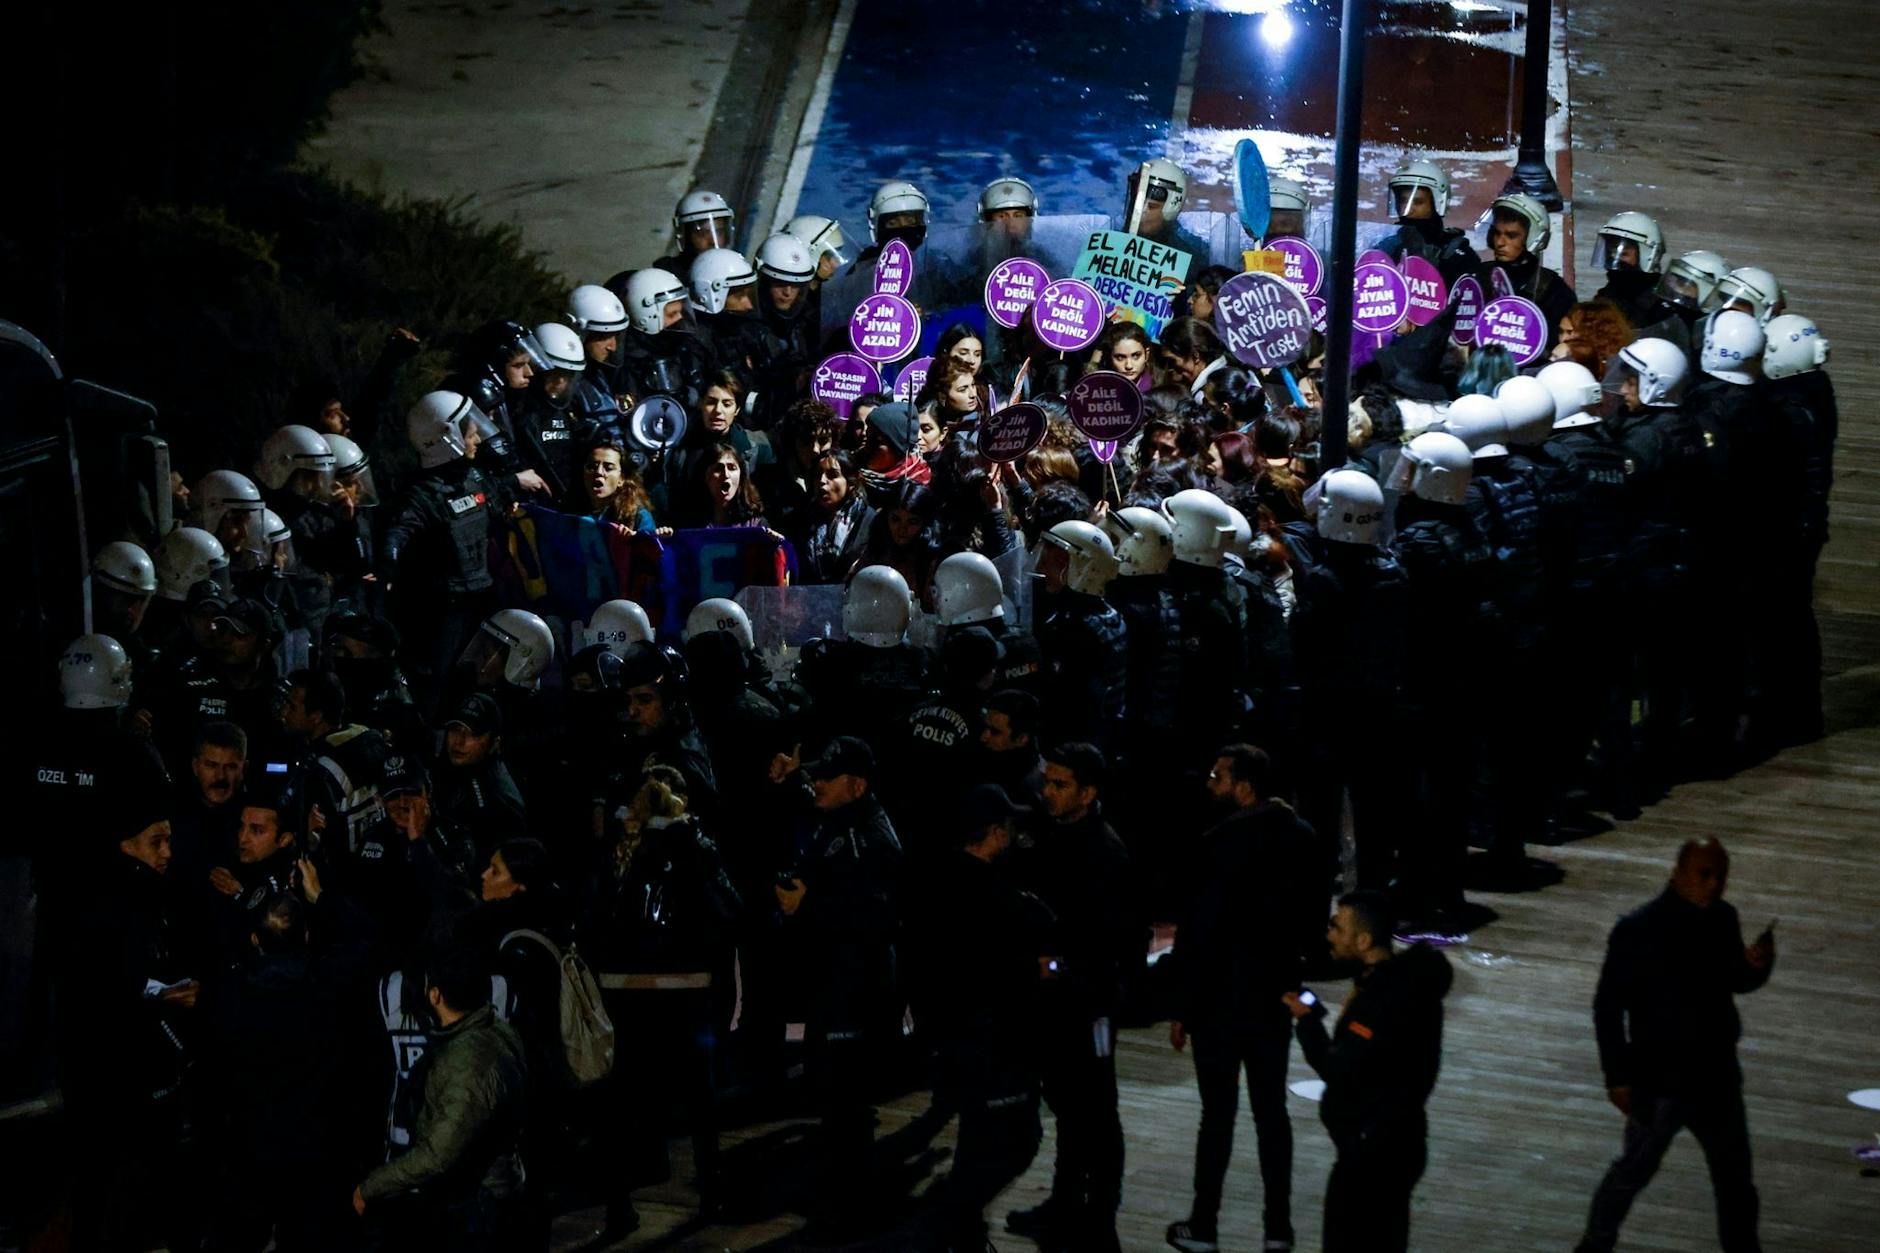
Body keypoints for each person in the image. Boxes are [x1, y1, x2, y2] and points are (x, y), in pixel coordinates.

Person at [1576, 838, 1773, 1253]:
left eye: (1721, 876)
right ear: (1678, 871)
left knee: (1734, 1180)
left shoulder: (1722, 919)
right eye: (1705, 874)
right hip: (1661, 1079)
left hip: (1715, 1075)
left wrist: (1756, 966)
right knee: (1633, 1170)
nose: (1714, 884)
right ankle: (1594, 1246)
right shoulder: (1638, 930)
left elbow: (1734, 981)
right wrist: (1618, 1076)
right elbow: (1608, 1006)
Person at [1167, 745, 1319, 1253]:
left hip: (1217, 1002)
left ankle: (1204, 1225)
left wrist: (1184, 1006)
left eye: (1218, 776)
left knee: (1218, 1116)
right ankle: (1279, 1230)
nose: (1210, 784)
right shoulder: (1302, 839)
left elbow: (1198, 933)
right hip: (1272, 999)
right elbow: (1313, 930)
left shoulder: (1217, 844)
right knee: (1271, 1115)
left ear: (1244, 786)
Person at [902, 783, 1051, 1252]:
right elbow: (1030, 955)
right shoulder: (996, 897)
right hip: (993, 1041)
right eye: (1006, 827)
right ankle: (943, 1225)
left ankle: (964, 1235)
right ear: (992, 833)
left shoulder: (932, 883)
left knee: (975, 1138)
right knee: (1016, 1138)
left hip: (948, 1037)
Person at [766, 737, 904, 1228]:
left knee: (848, 1102)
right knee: (834, 1095)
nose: (816, 781)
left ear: (859, 785)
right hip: (833, 980)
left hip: (857, 985)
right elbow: (807, 797)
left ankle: (851, 1210)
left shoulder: (872, 840)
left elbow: (881, 918)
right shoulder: (841, 816)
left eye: (828, 776)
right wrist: (788, 782)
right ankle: (841, 1196)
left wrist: (809, 906)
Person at [1006, 742, 1139, 1253]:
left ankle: (1099, 1213)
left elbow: (1114, 943)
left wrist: (1060, 967)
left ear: (1089, 792)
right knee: (1067, 1105)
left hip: (1088, 1005)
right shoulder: (1052, 838)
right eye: (1048, 781)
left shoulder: (1105, 852)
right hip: (1056, 1004)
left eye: (1061, 785)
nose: (1048, 792)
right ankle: (1065, 1205)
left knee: (1096, 1111)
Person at [1284, 890, 1453, 1253]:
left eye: (1337, 927)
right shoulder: (1399, 985)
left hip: (1373, 1152)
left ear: (1363, 940)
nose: (1329, 935)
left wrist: (1307, 1023)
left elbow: (1338, 1068)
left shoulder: (1382, 998)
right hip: (1395, 1141)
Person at [354, 942, 531, 1251]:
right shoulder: (493, 1031)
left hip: (477, 1205)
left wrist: (368, 1189)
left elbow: (439, 1154)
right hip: (493, 1193)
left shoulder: (467, 1061)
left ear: (435, 995)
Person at [378, 390, 510, 715]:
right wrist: (390, 560)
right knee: (442, 685)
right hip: (447, 611)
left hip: (486, 599)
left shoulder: (476, 477)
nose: (477, 435)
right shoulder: (423, 494)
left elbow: (505, 511)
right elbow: (399, 531)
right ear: (446, 437)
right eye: (470, 430)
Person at [1480, 193, 1574, 356]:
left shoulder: (1555, 291)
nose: (1500, 242)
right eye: (1497, 233)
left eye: (1511, 236)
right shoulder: (1480, 275)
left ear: (1535, 238)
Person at [1378, 159, 1478, 288]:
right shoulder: (1388, 247)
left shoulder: (1457, 256)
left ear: (1438, 202)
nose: (1407, 209)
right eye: (1402, 201)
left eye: (1418, 202)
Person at [1590, 211, 1666, 325]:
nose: (1614, 257)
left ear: (1647, 255)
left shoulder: (1661, 300)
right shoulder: (1610, 292)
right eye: (1611, 251)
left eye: (1623, 253)